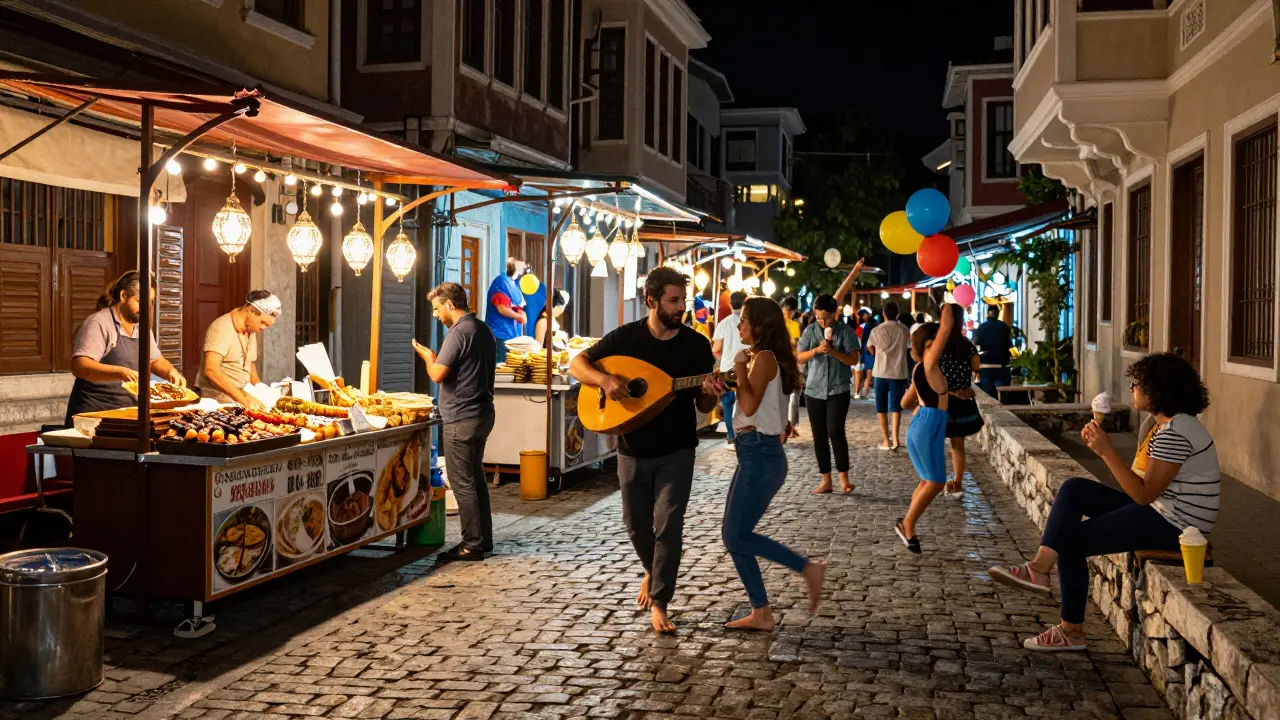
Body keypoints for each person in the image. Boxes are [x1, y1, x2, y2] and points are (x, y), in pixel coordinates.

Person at [989, 353, 1218, 651]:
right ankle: (1040, 567)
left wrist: (1106, 451)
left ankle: (1072, 630)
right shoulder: (1170, 426)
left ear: (1159, 390)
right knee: (1074, 489)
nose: (1132, 388)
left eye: (1137, 383)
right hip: (1163, 510)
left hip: (1175, 526)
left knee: (1072, 541)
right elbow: (1142, 487)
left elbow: (1142, 494)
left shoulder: (1176, 432)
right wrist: (1104, 449)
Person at [569, 267, 718, 634]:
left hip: (678, 448)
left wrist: (710, 393)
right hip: (633, 448)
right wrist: (606, 379)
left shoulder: (696, 346)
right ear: (652, 301)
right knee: (636, 526)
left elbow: (701, 407)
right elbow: (577, 364)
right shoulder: (626, 339)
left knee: (669, 526)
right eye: (673, 300)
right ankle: (654, 569)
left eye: (683, 299)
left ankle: (660, 602)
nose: (681, 306)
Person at [704, 297, 825, 631]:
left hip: (760, 454)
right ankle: (762, 610)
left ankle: (799, 574)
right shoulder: (763, 358)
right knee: (736, 534)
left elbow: (747, 403)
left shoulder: (763, 359)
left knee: (734, 534)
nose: (738, 326)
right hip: (755, 452)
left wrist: (740, 368)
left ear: (759, 326)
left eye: (743, 321)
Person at [413, 282, 497, 562]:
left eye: (437, 308)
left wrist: (427, 358)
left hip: (461, 416)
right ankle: (484, 539)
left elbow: (437, 374)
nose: (436, 314)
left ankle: (472, 544)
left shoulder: (458, 332)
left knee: (462, 482)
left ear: (449, 304)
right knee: (476, 478)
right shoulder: (481, 329)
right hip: (482, 413)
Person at [65, 271, 185, 424]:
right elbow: (80, 366)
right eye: (139, 301)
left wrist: (171, 372)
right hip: (94, 415)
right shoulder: (99, 323)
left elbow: (154, 360)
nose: (145, 307)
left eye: (149, 302)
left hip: (128, 412)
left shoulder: (141, 327)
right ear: (123, 295)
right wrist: (120, 372)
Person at [896, 305, 958, 553]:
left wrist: (942, 396)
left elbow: (904, 402)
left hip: (927, 424)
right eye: (940, 342)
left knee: (927, 481)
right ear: (930, 344)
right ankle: (907, 524)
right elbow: (945, 327)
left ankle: (908, 523)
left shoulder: (921, 369)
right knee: (935, 482)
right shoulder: (929, 364)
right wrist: (948, 307)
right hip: (926, 426)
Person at [796, 294, 860, 494]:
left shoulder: (846, 332)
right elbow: (799, 357)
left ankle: (844, 479)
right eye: (818, 317)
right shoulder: (810, 331)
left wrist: (833, 352)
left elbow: (853, 360)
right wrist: (816, 350)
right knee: (819, 435)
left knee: (835, 431)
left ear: (835, 314)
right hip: (813, 389)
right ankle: (826, 480)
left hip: (838, 389)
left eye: (826, 318)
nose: (822, 322)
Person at [196, 290, 281, 409]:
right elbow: (211, 371)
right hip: (218, 398)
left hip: (241, 392)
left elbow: (249, 363)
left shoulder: (251, 328)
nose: (263, 328)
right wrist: (244, 400)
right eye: (262, 322)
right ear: (251, 311)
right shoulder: (221, 328)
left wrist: (259, 388)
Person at [939, 304, 984, 498]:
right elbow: (976, 368)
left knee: (934, 442)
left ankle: (933, 480)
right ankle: (957, 483)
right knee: (958, 445)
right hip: (962, 400)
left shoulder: (937, 345)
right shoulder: (967, 345)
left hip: (941, 399)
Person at [865, 302, 912, 451]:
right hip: (898, 372)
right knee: (896, 407)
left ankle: (886, 440)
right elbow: (909, 348)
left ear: (884, 313)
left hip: (880, 371)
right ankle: (897, 439)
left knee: (881, 407)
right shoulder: (904, 330)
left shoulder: (876, 330)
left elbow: (870, 348)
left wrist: (877, 352)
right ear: (897, 314)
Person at [713, 291, 748, 448]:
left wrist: (724, 356)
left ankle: (731, 435)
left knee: (728, 403)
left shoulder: (724, 323)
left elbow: (717, 348)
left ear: (730, 304)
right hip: (747, 368)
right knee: (745, 401)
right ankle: (745, 434)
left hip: (727, 368)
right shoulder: (750, 322)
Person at [485, 257, 527, 363]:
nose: (523, 267)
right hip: (500, 334)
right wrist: (519, 317)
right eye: (520, 264)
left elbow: (518, 306)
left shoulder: (515, 285)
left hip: (512, 337)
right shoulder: (502, 282)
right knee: (500, 369)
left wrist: (521, 314)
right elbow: (502, 308)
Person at [972, 305, 1014, 398]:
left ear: (988, 313)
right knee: (1002, 394)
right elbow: (1010, 344)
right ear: (998, 313)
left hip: (986, 365)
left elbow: (976, 343)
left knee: (987, 395)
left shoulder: (982, 327)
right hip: (1002, 366)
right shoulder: (1004, 326)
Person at [781, 295, 803, 437]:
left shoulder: (795, 325)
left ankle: (792, 425)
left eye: (791, 311)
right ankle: (785, 426)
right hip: (780, 363)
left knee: (794, 396)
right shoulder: (776, 323)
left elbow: (796, 344)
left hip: (793, 363)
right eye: (786, 310)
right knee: (782, 396)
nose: (788, 313)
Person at [855, 309, 878, 400]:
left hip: (865, 352)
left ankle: (861, 393)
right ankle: (863, 394)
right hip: (869, 353)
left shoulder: (865, 327)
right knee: (869, 374)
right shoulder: (869, 327)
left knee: (865, 374)